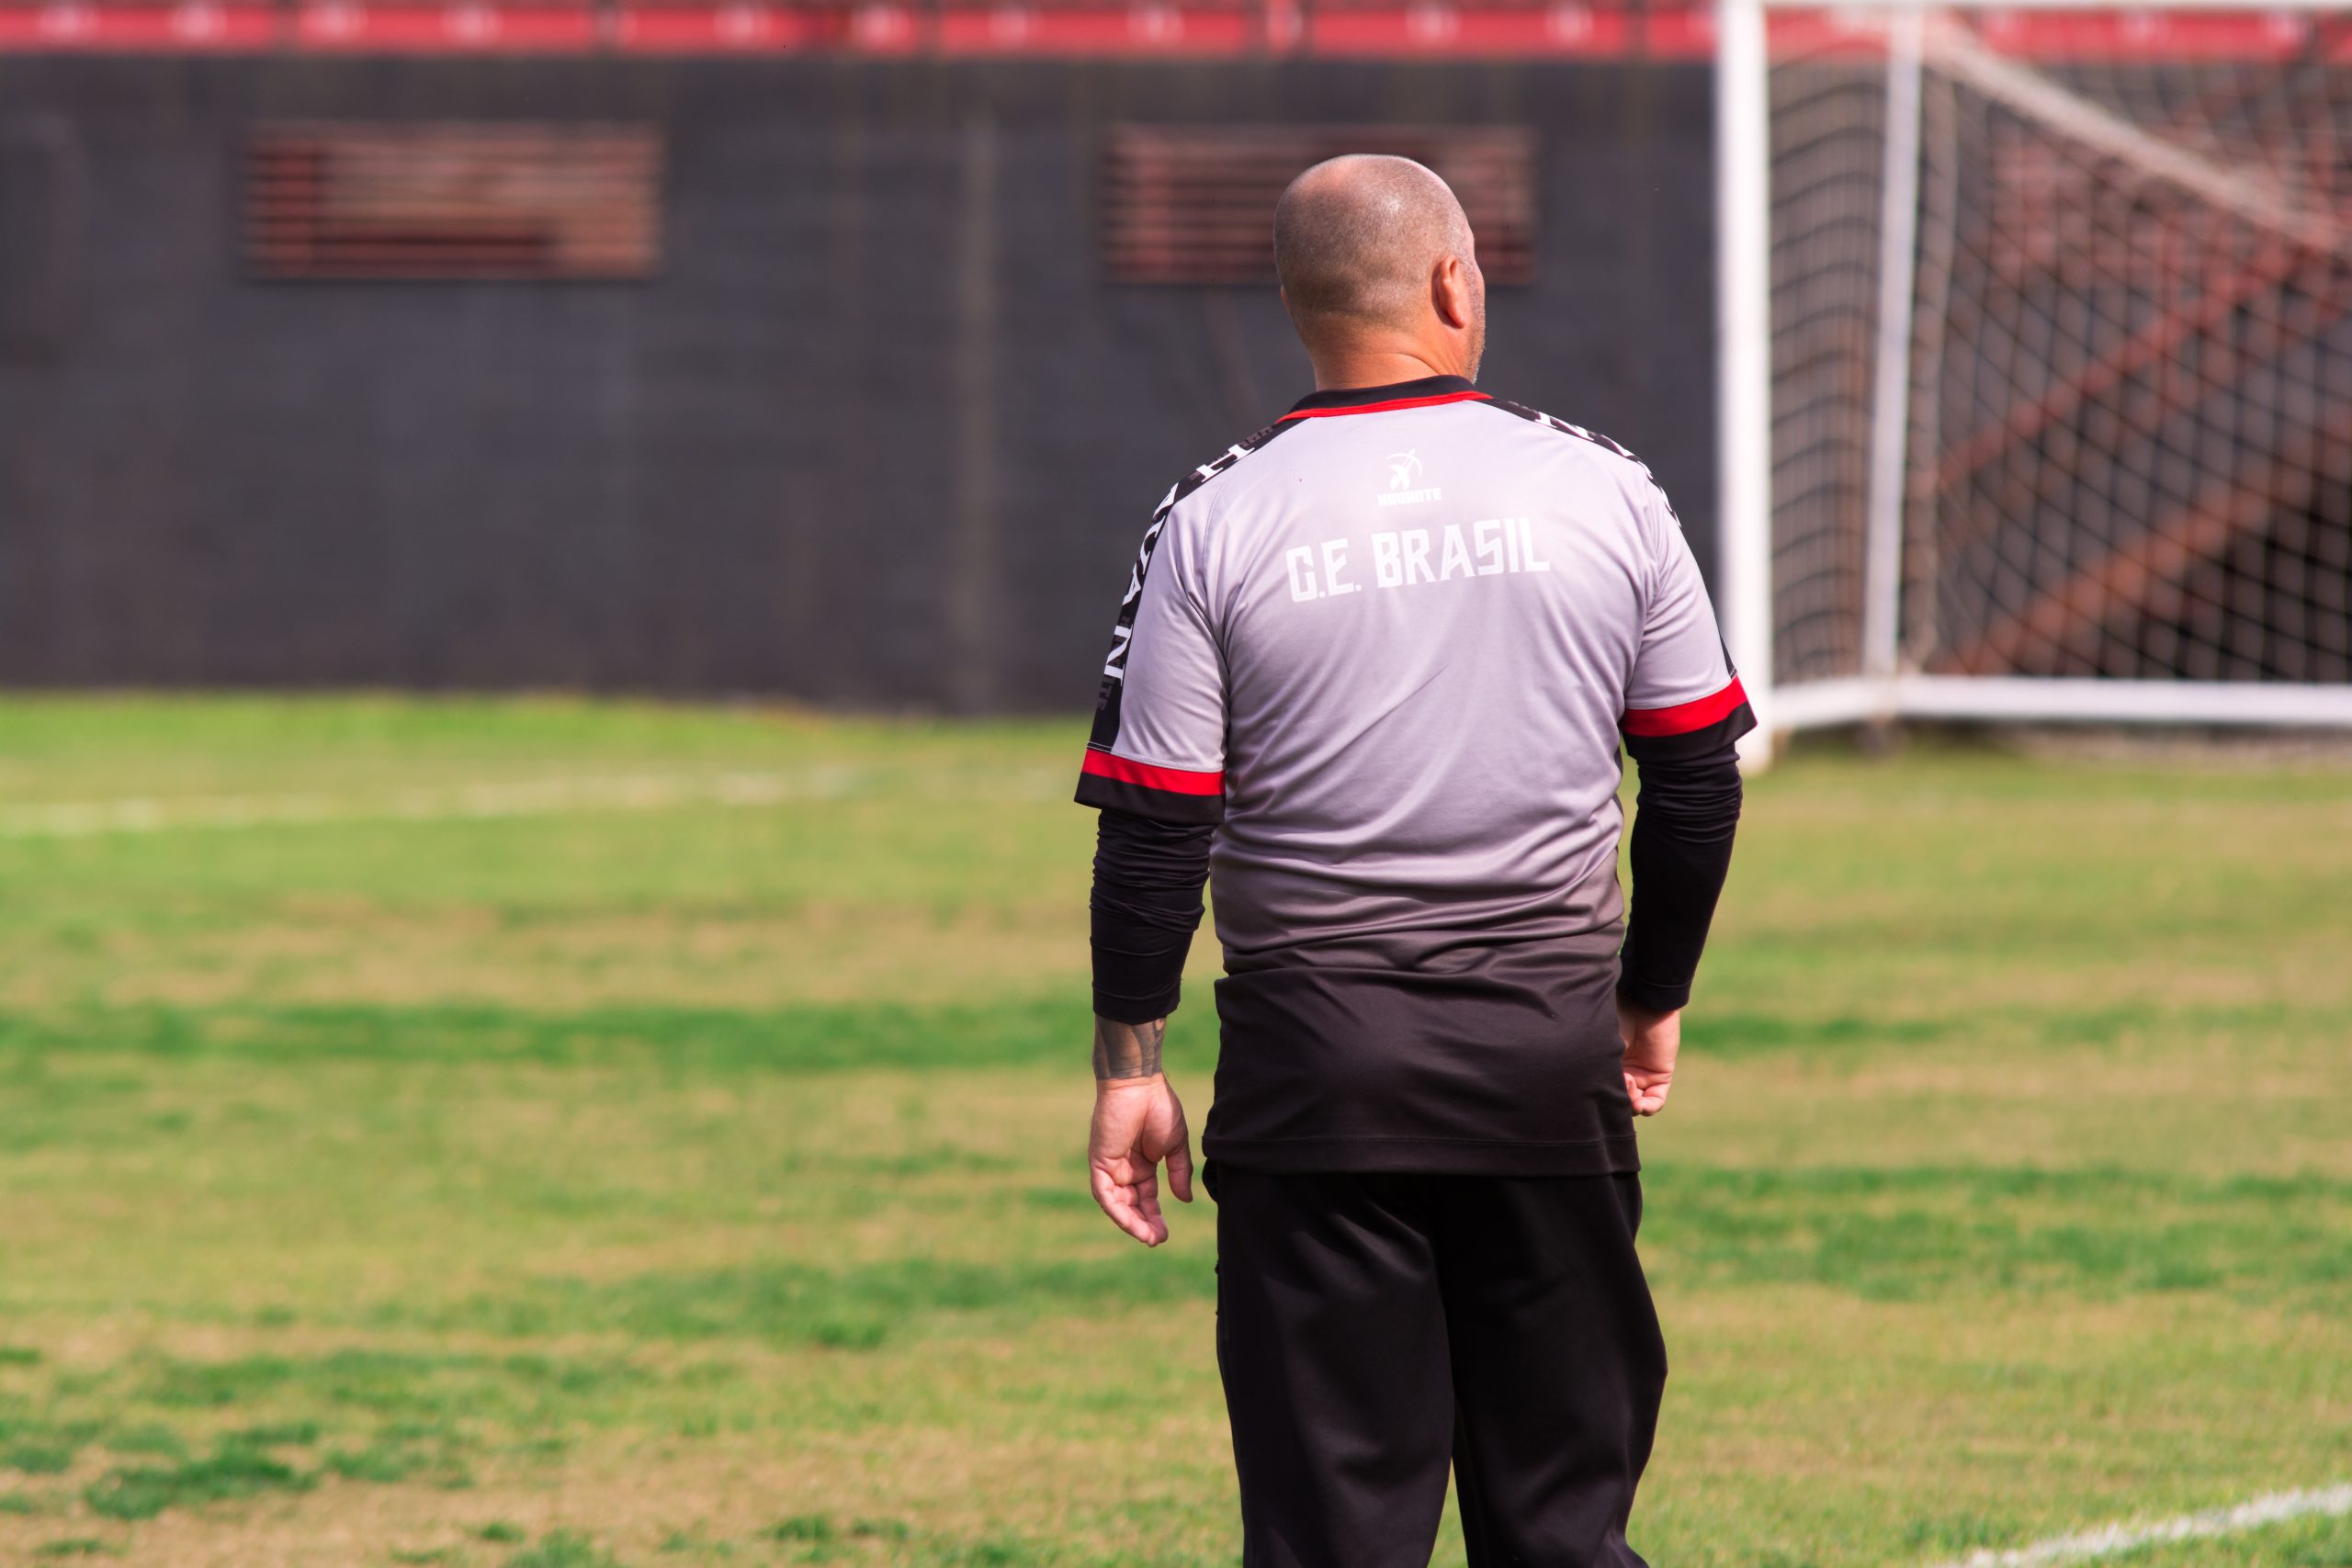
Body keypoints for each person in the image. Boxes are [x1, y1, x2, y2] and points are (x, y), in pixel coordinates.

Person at [1076, 153, 1751, 1568]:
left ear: (1297, 304)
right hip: (1543, 1060)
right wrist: (1649, 990)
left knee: (1332, 1541)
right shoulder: (1605, 491)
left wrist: (1130, 1069)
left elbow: (1155, 826)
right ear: (1455, 283)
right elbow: (1693, 779)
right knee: (1564, 1530)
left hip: (1313, 1078)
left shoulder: (1213, 516)